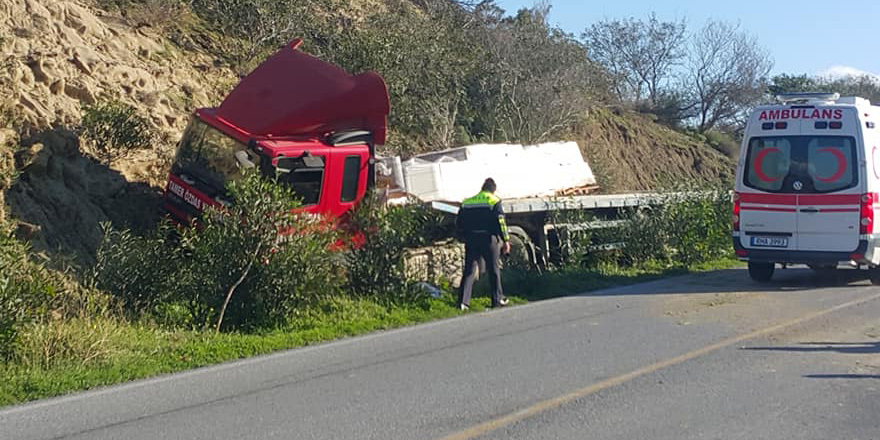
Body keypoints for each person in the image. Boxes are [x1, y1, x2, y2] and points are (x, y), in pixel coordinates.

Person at [455, 178, 511, 310]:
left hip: (472, 238)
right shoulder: (494, 201)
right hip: (488, 239)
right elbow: (501, 222)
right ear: (493, 189)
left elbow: (459, 221)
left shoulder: (467, 202)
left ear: (482, 188)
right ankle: (497, 299)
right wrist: (506, 240)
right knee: (493, 269)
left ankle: (463, 302)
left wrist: (462, 236)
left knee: (469, 270)